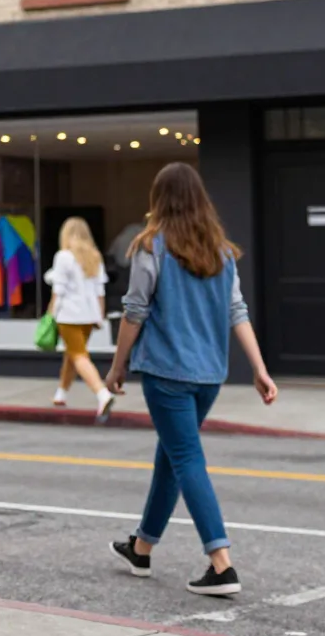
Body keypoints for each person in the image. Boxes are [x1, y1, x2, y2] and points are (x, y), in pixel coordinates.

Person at [104, 162, 278, 598]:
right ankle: (141, 548)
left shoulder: (152, 247)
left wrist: (117, 365)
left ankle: (221, 563)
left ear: (159, 201)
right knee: (173, 456)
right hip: (208, 377)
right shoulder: (220, 252)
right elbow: (237, 310)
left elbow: (135, 310)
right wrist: (259, 368)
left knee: (186, 459)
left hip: (166, 374)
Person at [46, 217, 112, 417]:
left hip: (69, 314)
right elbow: (100, 291)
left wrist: (50, 313)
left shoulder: (63, 256)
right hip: (89, 315)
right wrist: (100, 316)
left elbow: (58, 290)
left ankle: (102, 394)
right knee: (73, 354)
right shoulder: (94, 256)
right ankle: (61, 394)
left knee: (78, 355)